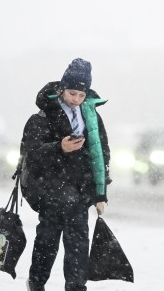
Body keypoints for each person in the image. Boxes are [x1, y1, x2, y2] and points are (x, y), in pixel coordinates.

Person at [21, 58, 111, 291]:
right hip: (50, 192)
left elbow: (101, 154)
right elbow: (32, 154)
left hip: (80, 193)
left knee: (78, 246)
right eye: (72, 93)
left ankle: (76, 287)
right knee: (46, 243)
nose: (76, 100)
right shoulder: (42, 117)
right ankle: (37, 284)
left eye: (81, 95)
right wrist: (59, 147)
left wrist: (100, 193)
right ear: (61, 89)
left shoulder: (91, 117)